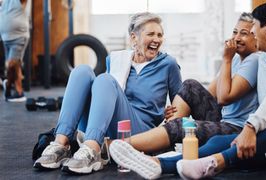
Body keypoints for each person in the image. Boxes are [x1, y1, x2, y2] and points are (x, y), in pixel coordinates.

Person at [173, 2, 266, 179]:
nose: (251, 33)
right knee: (219, 141)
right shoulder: (265, 58)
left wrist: (250, 127)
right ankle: (162, 164)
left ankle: (218, 162)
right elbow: (216, 93)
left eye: (254, 27)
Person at [108, 12, 261, 179]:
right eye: (235, 32)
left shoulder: (254, 60)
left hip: (237, 127)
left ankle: (117, 146)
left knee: (183, 126)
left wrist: (226, 59)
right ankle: (163, 135)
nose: (237, 38)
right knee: (190, 85)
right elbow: (207, 95)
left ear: (256, 38)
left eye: (244, 34)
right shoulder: (238, 59)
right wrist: (175, 110)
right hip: (223, 119)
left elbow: (224, 97)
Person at [33, 12, 182, 174]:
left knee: (105, 79)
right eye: (151, 34)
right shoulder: (116, 59)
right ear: (134, 38)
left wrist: (170, 113)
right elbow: (106, 97)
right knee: (82, 71)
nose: (157, 39)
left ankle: (92, 150)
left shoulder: (168, 64)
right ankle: (60, 145)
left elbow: (182, 105)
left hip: (140, 131)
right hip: (106, 125)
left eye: (160, 35)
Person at [0, 0, 29, 102]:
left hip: (18, 37)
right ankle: (18, 93)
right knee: (15, 66)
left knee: (12, 64)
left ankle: (9, 86)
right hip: (5, 38)